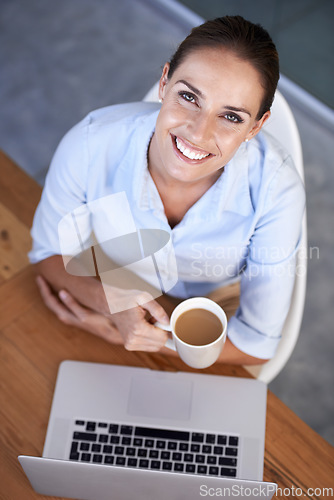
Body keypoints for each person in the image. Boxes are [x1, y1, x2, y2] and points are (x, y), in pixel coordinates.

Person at [29, 16, 305, 366]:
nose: (198, 133)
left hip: (214, 301)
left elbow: (256, 346)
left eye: (231, 117)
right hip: (118, 274)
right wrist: (107, 303)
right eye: (189, 97)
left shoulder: (277, 192)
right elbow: (48, 253)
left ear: (256, 127)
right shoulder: (90, 143)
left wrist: (130, 333)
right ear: (164, 83)